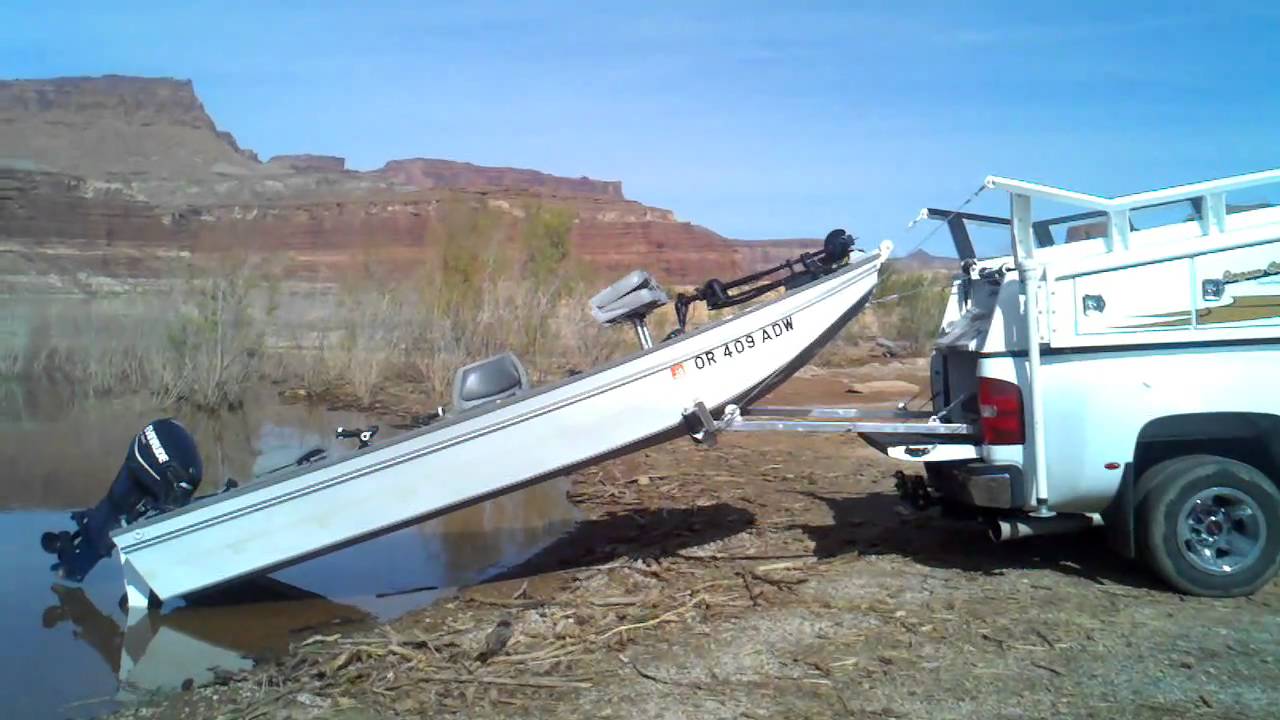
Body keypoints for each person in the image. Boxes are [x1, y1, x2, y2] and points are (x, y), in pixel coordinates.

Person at [41, 418, 204, 582]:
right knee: (115, 514)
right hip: (155, 462)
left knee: (114, 509)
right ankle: (76, 563)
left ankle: (75, 559)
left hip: (150, 458)